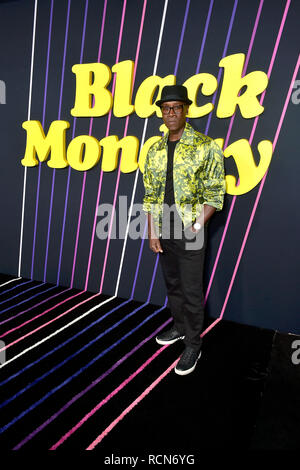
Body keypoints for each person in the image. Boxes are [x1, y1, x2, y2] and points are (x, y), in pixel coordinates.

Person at [142, 85, 226, 376]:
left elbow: (215, 194)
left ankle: (193, 343)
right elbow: (150, 196)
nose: (171, 113)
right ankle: (179, 327)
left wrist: (195, 226)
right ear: (161, 113)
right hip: (163, 227)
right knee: (173, 284)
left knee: (191, 289)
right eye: (166, 108)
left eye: (177, 107)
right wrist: (152, 231)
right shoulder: (153, 150)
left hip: (190, 228)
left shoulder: (205, 146)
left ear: (185, 110)